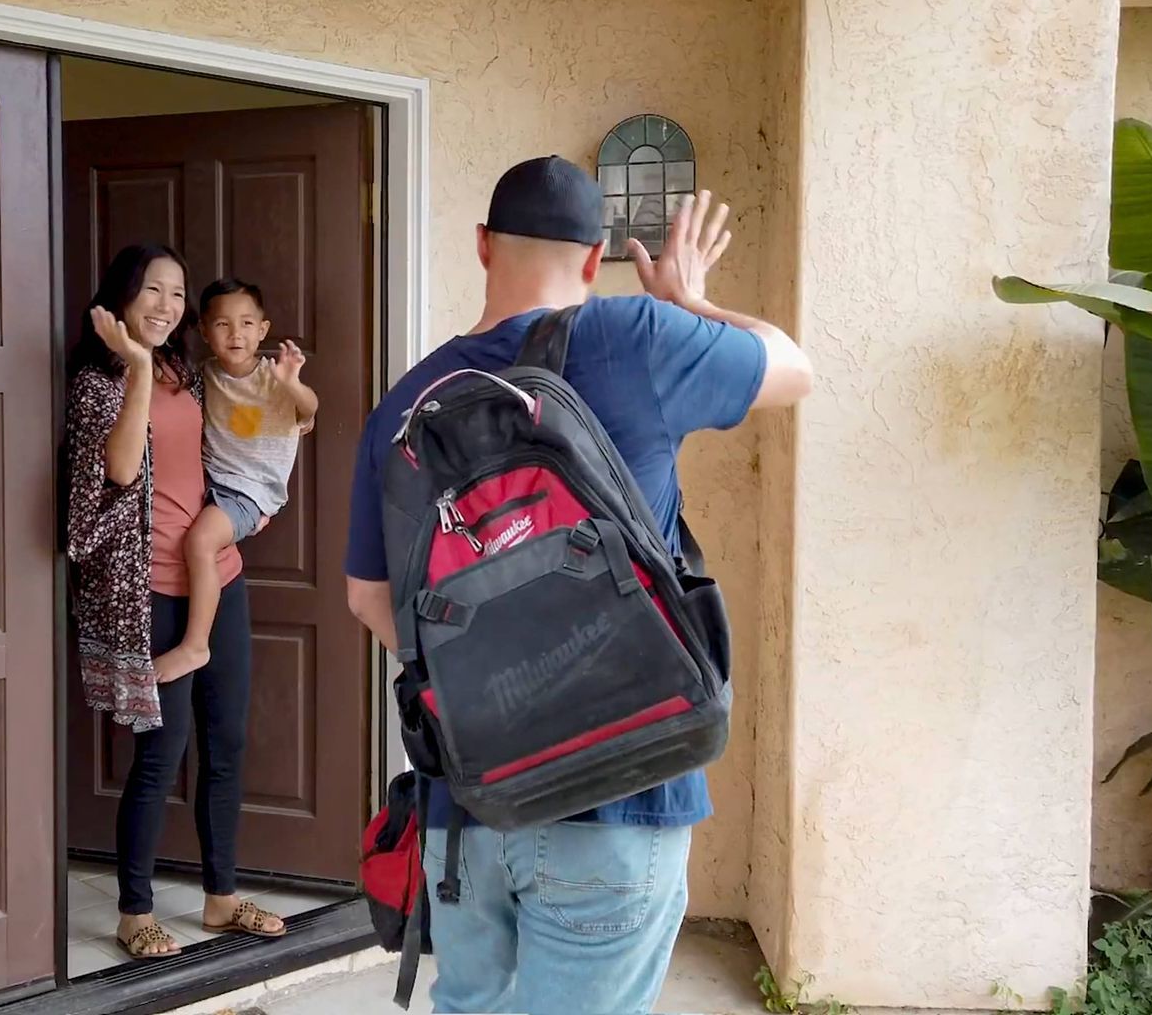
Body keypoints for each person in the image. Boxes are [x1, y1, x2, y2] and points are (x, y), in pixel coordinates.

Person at [343, 157, 813, 1014]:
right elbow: (794, 367)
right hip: (623, 795)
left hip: (470, 805)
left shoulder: (407, 405)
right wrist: (690, 300)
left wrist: (500, 680)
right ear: (597, 260)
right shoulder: (638, 337)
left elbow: (371, 602)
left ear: (482, 246)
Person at [62, 244, 287, 961]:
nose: (164, 304)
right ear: (124, 298)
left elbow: (240, 437)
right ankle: (135, 910)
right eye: (151, 290)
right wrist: (131, 368)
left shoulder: (188, 373)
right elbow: (122, 468)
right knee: (162, 756)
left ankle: (221, 898)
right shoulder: (102, 381)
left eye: (176, 293)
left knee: (227, 746)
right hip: (151, 589)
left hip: (219, 577)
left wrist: (257, 498)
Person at [160, 278, 318, 680]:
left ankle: (195, 646)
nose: (236, 334)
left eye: (247, 324)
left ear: (262, 330)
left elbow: (310, 409)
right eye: (223, 325)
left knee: (199, 541)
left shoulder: (273, 378)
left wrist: (293, 385)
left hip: (248, 490)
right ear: (204, 332)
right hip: (209, 479)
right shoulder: (204, 375)